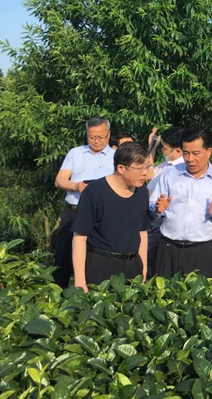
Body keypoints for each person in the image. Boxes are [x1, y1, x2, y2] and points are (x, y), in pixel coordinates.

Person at [149, 127, 212, 278]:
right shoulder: (170, 174)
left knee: (198, 292)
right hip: (168, 247)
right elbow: (153, 203)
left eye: (196, 153)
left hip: (201, 251)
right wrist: (158, 209)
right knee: (163, 291)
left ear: (208, 152)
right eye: (186, 153)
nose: (190, 159)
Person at [71, 142, 150, 292]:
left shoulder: (142, 192)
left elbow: (142, 232)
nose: (145, 173)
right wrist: (80, 280)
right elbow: (80, 237)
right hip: (101, 267)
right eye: (139, 168)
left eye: (147, 167)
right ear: (121, 168)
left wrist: (144, 267)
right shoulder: (94, 192)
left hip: (133, 267)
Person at [53, 117, 115, 288]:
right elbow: (59, 180)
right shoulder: (75, 153)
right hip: (74, 211)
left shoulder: (116, 157)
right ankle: (58, 294)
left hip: (102, 215)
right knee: (63, 257)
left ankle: (92, 293)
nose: (96, 141)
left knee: (96, 257)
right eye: (92, 137)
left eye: (100, 137)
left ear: (108, 134)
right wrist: (76, 186)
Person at [145, 126, 185, 278]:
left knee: (152, 261)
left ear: (178, 150)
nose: (163, 150)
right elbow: (148, 173)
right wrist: (152, 148)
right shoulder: (166, 165)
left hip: (161, 220)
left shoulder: (179, 169)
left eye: (165, 148)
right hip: (151, 216)